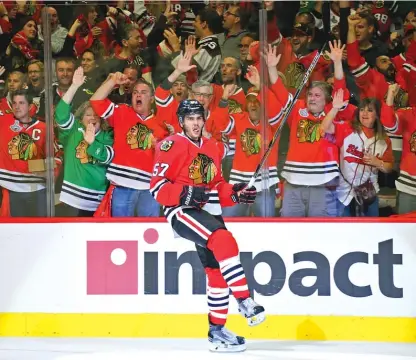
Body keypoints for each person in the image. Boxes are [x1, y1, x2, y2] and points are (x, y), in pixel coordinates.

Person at [150, 99, 265, 352]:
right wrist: (187, 194)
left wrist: (235, 192)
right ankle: (244, 300)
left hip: (207, 210)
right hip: (181, 211)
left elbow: (217, 186)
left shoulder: (212, 146)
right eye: (190, 118)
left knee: (216, 272)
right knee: (224, 240)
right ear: (182, 122)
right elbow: (157, 188)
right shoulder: (171, 145)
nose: (195, 123)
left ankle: (217, 331)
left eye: (198, 118)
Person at [55, 67, 114, 217]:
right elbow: (61, 113)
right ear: (81, 118)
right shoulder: (74, 130)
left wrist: (92, 143)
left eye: (96, 115)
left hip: (96, 200)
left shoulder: (108, 136)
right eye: (88, 115)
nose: (92, 118)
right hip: (71, 198)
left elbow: (108, 157)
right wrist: (74, 85)